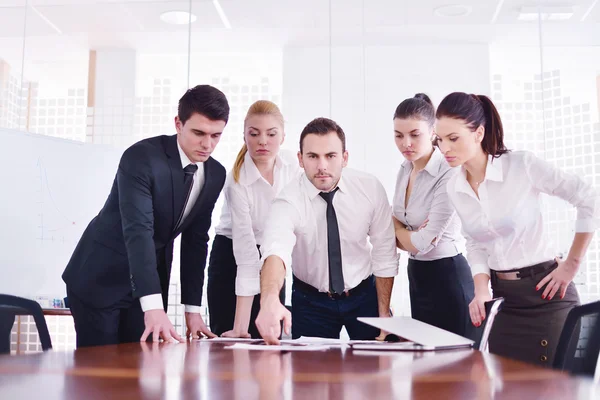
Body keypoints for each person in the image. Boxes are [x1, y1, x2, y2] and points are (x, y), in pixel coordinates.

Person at [435, 91, 598, 366]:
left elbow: (589, 199)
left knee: (553, 389)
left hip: (547, 294)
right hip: (504, 303)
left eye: (453, 138)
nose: (444, 148)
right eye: (439, 140)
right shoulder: (454, 187)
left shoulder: (521, 166)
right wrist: (481, 289)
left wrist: (571, 264)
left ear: (478, 134)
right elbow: (474, 243)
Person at [62, 85, 230, 347]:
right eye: (198, 133)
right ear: (178, 124)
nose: (207, 144)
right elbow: (138, 230)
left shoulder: (215, 174)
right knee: (100, 375)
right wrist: (153, 305)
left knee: (141, 372)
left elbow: (196, 241)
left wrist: (192, 310)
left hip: (147, 282)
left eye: (216, 135)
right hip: (100, 278)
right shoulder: (141, 158)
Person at [254, 117, 399, 344]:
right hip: (310, 300)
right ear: (301, 159)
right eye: (313, 156)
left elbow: (384, 252)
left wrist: (383, 312)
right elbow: (275, 249)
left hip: (363, 294)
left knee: (375, 373)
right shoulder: (288, 200)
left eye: (330, 156)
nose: (322, 166)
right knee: (310, 375)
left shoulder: (370, 188)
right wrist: (270, 299)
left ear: (345, 158)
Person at [207, 100, 300, 338]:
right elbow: (246, 255)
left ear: (282, 136)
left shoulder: (292, 165)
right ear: (244, 136)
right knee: (232, 341)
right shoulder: (237, 182)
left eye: (271, 134)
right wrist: (239, 327)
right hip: (231, 256)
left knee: (268, 337)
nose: (262, 141)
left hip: (271, 256)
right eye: (254, 133)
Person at [392, 93, 476, 339]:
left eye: (414, 134)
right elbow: (401, 228)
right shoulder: (405, 169)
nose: (405, 143)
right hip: (417, 275)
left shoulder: (449, 171)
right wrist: (410, 234)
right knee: (425, 369)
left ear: (432, 132)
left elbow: (424, 243)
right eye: (398, 135)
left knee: (456, 368)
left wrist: (398, 232)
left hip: (448, 276)